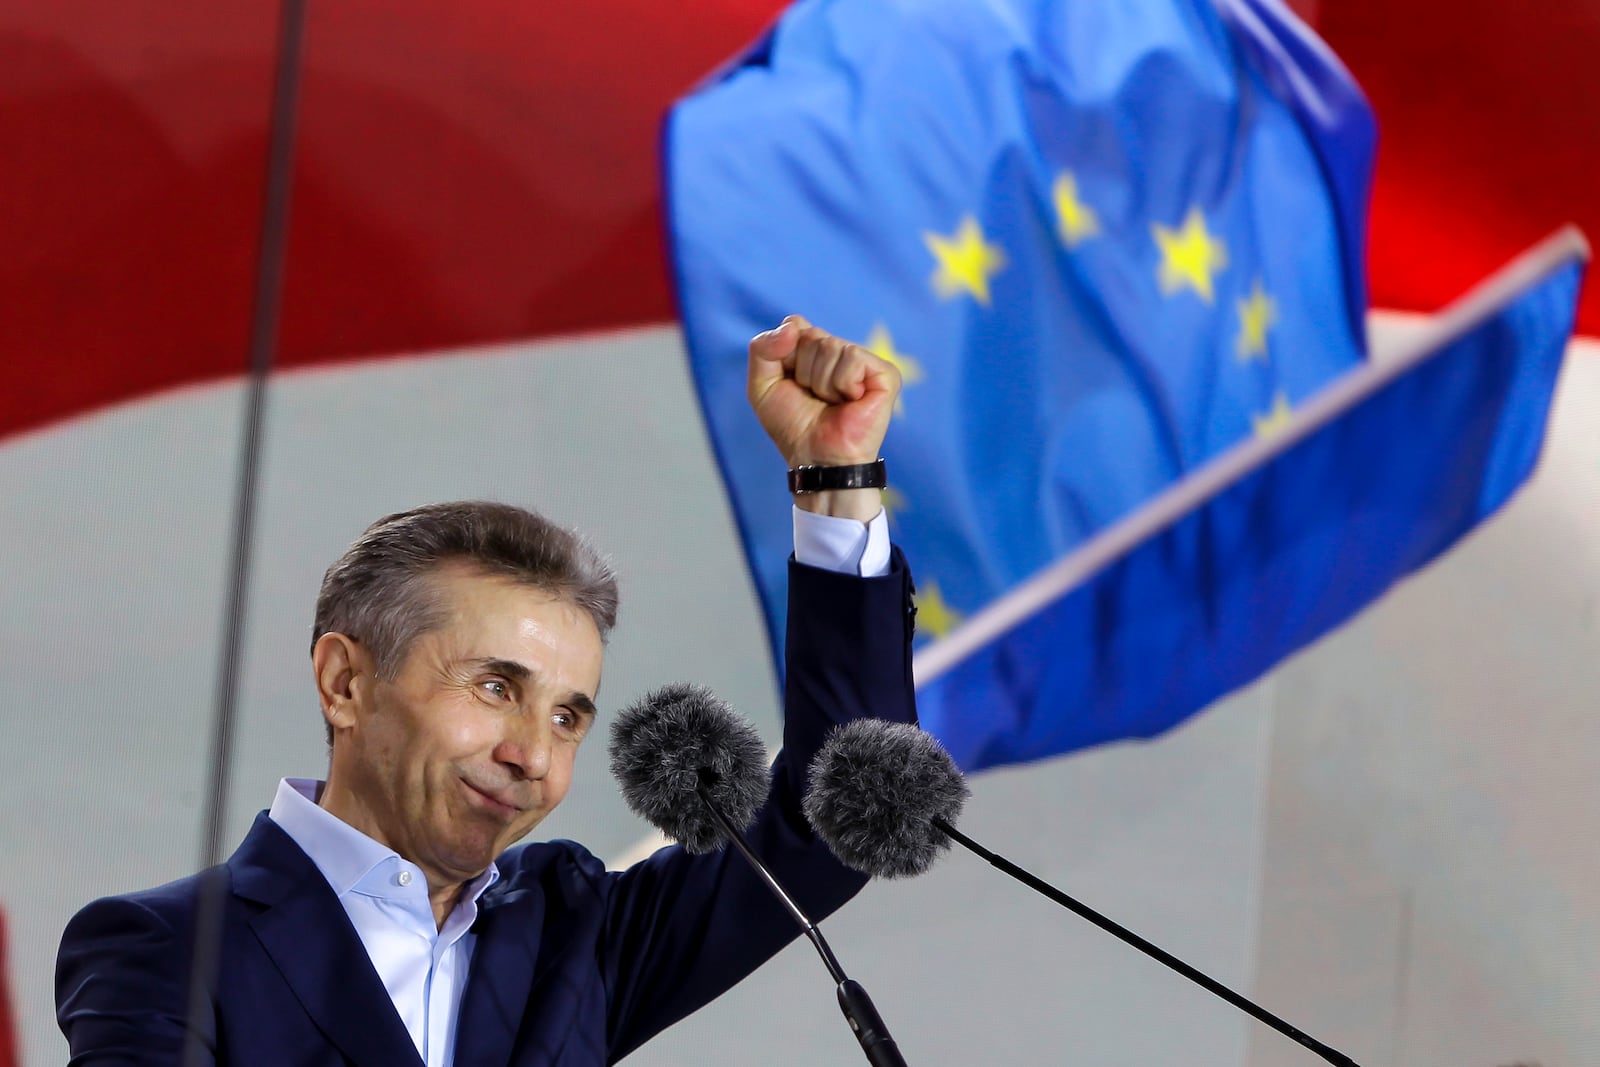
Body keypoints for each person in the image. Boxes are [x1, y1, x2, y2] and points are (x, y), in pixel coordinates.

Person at [55, 317, 917, 1066]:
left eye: (568, 715)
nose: (532, 755)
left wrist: (835, 477)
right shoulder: (165, 947)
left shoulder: (568, 934)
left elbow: (838, 816)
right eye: (496, 685)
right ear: (345, 681)